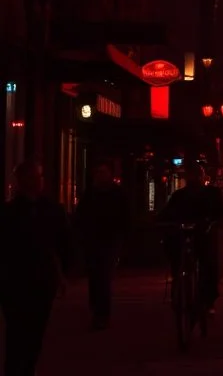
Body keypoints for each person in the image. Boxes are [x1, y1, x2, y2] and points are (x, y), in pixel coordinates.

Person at [0, 160, 72, 375]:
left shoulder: (50, 210)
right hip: (18, 279)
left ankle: (24, 368)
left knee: (33, 331)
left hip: (39, 279)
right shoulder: (10, 213)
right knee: (18, 331)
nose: (38, 181)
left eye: (40, 176)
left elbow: (64, 244)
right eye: (34, 176)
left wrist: (62, 273)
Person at [158, 163, 223, 312]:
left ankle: (206, 300)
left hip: (203, 236)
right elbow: (165, 215)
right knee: (182, 261)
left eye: (198, 175)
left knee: (208, 264)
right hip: (184, 237)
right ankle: (181, 290)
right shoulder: (180, 195)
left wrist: (217, 222)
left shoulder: (210, 194)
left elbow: (222, 214)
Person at [74, 160, 131, 329]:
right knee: (94, 274)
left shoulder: (117, 194)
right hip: (92, 239)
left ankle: (102, 312)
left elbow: (125, 216)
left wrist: (123, 237)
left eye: (103, 172)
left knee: (104, 274)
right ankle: (96, 306)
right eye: (98, 172)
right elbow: (81, 216)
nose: (100, 175)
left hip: (110, 239)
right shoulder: (90, 193)